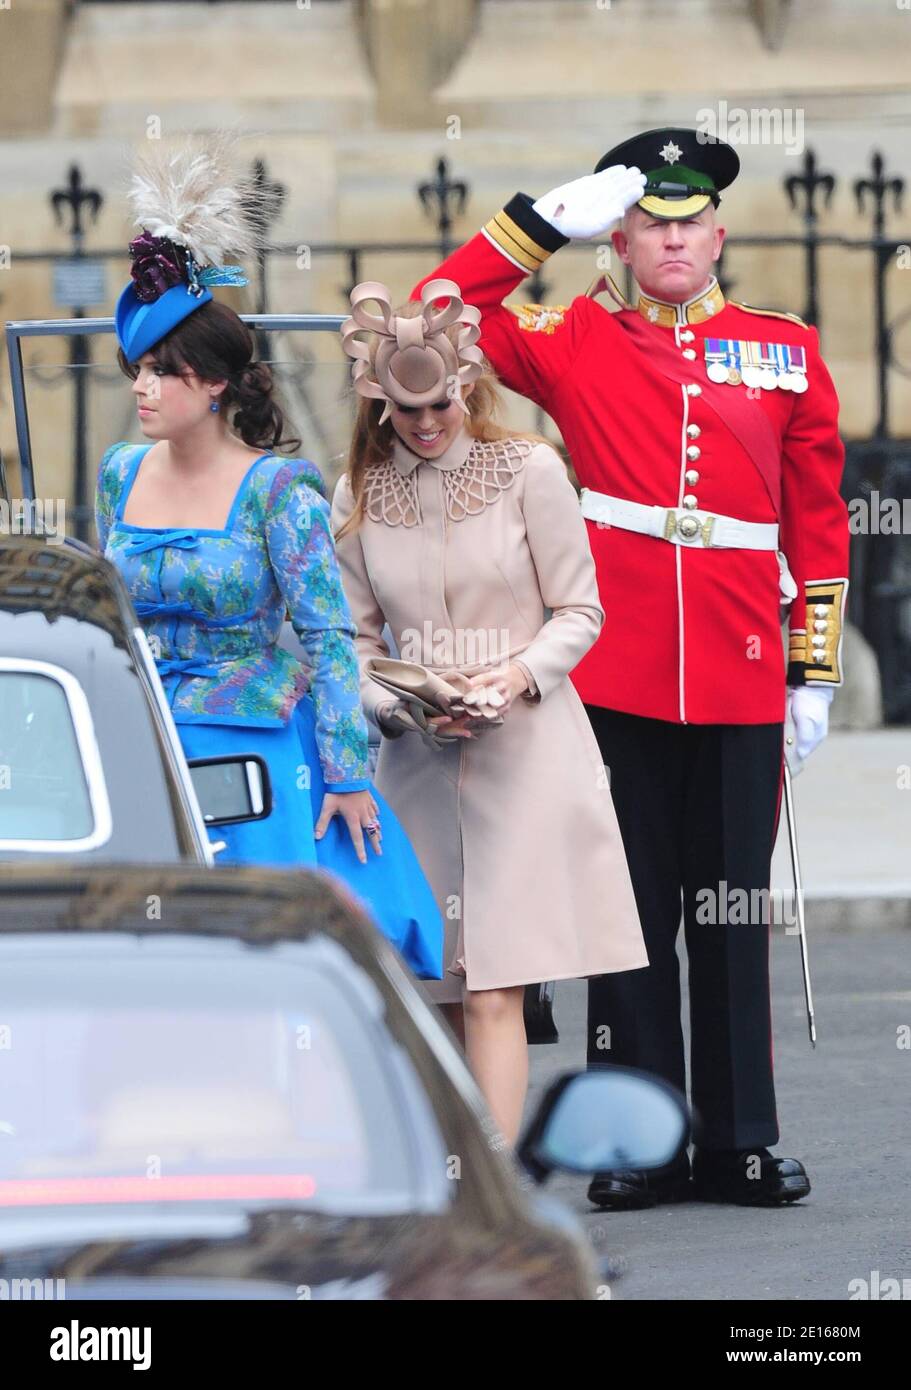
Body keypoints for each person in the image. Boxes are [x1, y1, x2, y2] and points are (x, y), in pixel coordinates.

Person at [410, 128, 849, 1204]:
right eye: (649, 220)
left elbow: (818, 518)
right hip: (611, 671)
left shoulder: (781, 348)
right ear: (618, 234)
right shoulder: (573, 340)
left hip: (745, 663)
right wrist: (530, 227)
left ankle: (739, 1139)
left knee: (731, 910)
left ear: (716, 233)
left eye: (687, 220)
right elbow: (431, 317)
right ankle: (635, 1139)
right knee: (624, 910)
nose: (671, 239)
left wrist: (813, 671)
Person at [95, 137, 442, 980]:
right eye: (135, 369)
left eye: (160, 371)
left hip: (249, 748)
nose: (141, 388)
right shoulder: (119, 471)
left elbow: (328, 641)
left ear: (213, 383)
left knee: (261, 959)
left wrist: (347, 774)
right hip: (142, 742)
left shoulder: (277, 491)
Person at [330, 278, 646, 1144]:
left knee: (498, 979)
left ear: (467, 384)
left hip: (527, 749)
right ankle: (447, 1174)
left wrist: (513, 678)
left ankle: (496, 1190)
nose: (427, 423)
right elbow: (349, 644)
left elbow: (579, 612)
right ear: (379, 404)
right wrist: (397, 705)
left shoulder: (530, 469)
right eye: (407, 411)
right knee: (433, 981)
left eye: (441, 403)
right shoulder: (354, 495)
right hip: (415, 763)